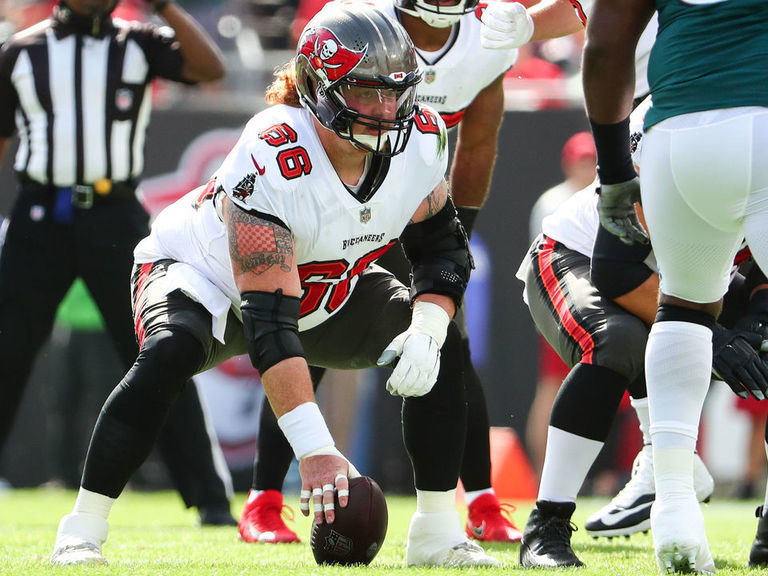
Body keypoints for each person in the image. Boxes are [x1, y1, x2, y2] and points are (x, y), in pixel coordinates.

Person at [50, 3, 499, 568]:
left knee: (443, 348)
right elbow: (268, 323)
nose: (385, 109)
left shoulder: (421, 138)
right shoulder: (277, 151)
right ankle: (83, 527)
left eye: (396, 91)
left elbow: (442, 250)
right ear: (320, 88)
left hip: (326, 287)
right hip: (204, 275)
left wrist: (429, 329)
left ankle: (437, 531)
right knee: (170, 352)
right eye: (364, 92)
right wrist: (315, 451)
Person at [238, 0, 524, 546]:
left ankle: (481, 499)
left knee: (446, 348)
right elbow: (306, 100)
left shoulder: (489, 35)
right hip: (342, 203)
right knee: (302, 338)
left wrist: (448, 234)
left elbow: (479, 142)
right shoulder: (360, 22)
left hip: (409, 205)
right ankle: (264, 498)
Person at [0, 0, 234, 525]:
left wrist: (164, 8)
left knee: (164, 351)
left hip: (114, 217)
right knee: (6, 351)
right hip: (39, 217)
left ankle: (211, 500)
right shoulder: (20, 52)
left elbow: (210, 69)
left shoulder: (138, 42)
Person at [583, 0, 768, 572]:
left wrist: (615, 170)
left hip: (676, 134)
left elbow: (605, 44)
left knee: (684, 306)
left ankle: (677, 511)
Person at [514, 100, 736, 567]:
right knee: (616, 342)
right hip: (576, 256)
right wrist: (714, 333)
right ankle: (546, 523)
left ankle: (665, 467)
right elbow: (619, 270)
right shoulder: (667, 122)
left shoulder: (744, 129)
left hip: (654, 274)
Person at [525, 131, 596, 477]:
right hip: (561, 307)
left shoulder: (588, 199)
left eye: (592, 162)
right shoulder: (557, 202)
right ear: (569, 164)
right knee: (552, 388)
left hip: (583, 306)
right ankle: (544, 473)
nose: (588, 169)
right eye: (583, 161)